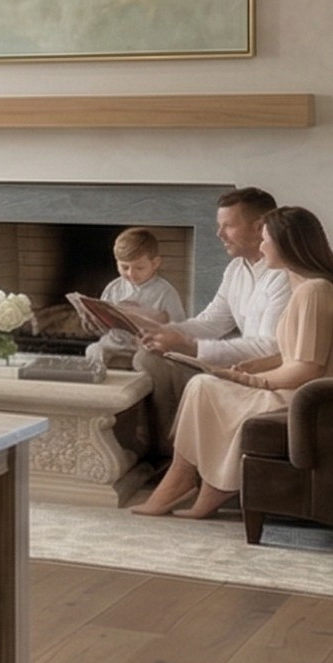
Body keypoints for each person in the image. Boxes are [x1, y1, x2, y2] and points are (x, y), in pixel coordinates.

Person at [132, 205, 333, 518]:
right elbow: (295, 351)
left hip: (318, 396)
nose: (261, 246)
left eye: (266, 240)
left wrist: (254, 381)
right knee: (203, 385)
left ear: (286, 244)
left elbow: (308, 367)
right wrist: (252, 367)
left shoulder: (314, 292)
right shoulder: (307, 287)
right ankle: (192, 482)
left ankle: (195, 483)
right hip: (308, 385)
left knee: (204, 385)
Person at [130, 187, 293, 460]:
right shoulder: (236, 270)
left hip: (263, 372)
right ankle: (166, 455)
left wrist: (190, 346)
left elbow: (269, 348)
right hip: (238, 362)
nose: (219, 235)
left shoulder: (283, 275)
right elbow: (211, 321)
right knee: (149, 356)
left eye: (228, 226)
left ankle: (178, 459)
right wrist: (163, 332)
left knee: (155, 362)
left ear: (259, 227)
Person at [83, 227, 185, 366]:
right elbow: (105, 325)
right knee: (93, 350)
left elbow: (178, 330)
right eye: (124, 267)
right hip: (114, 344)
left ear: (155, 263)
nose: (131, 274)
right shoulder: (114, 288)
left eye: (139, 268)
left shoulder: (165, 292)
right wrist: (93, 322)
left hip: (145, 347)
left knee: (145, 360)